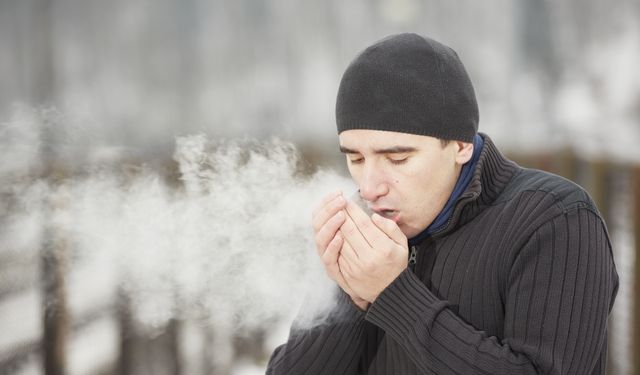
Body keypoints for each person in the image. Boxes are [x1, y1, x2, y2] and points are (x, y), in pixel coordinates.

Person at [266, 33, 618, 375]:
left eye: (397, 158)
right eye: (356, 159)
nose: (369, 187)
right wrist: (350, 295)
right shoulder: (362, 233)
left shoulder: (555, 219)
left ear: (461, 145)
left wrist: (392, 294)